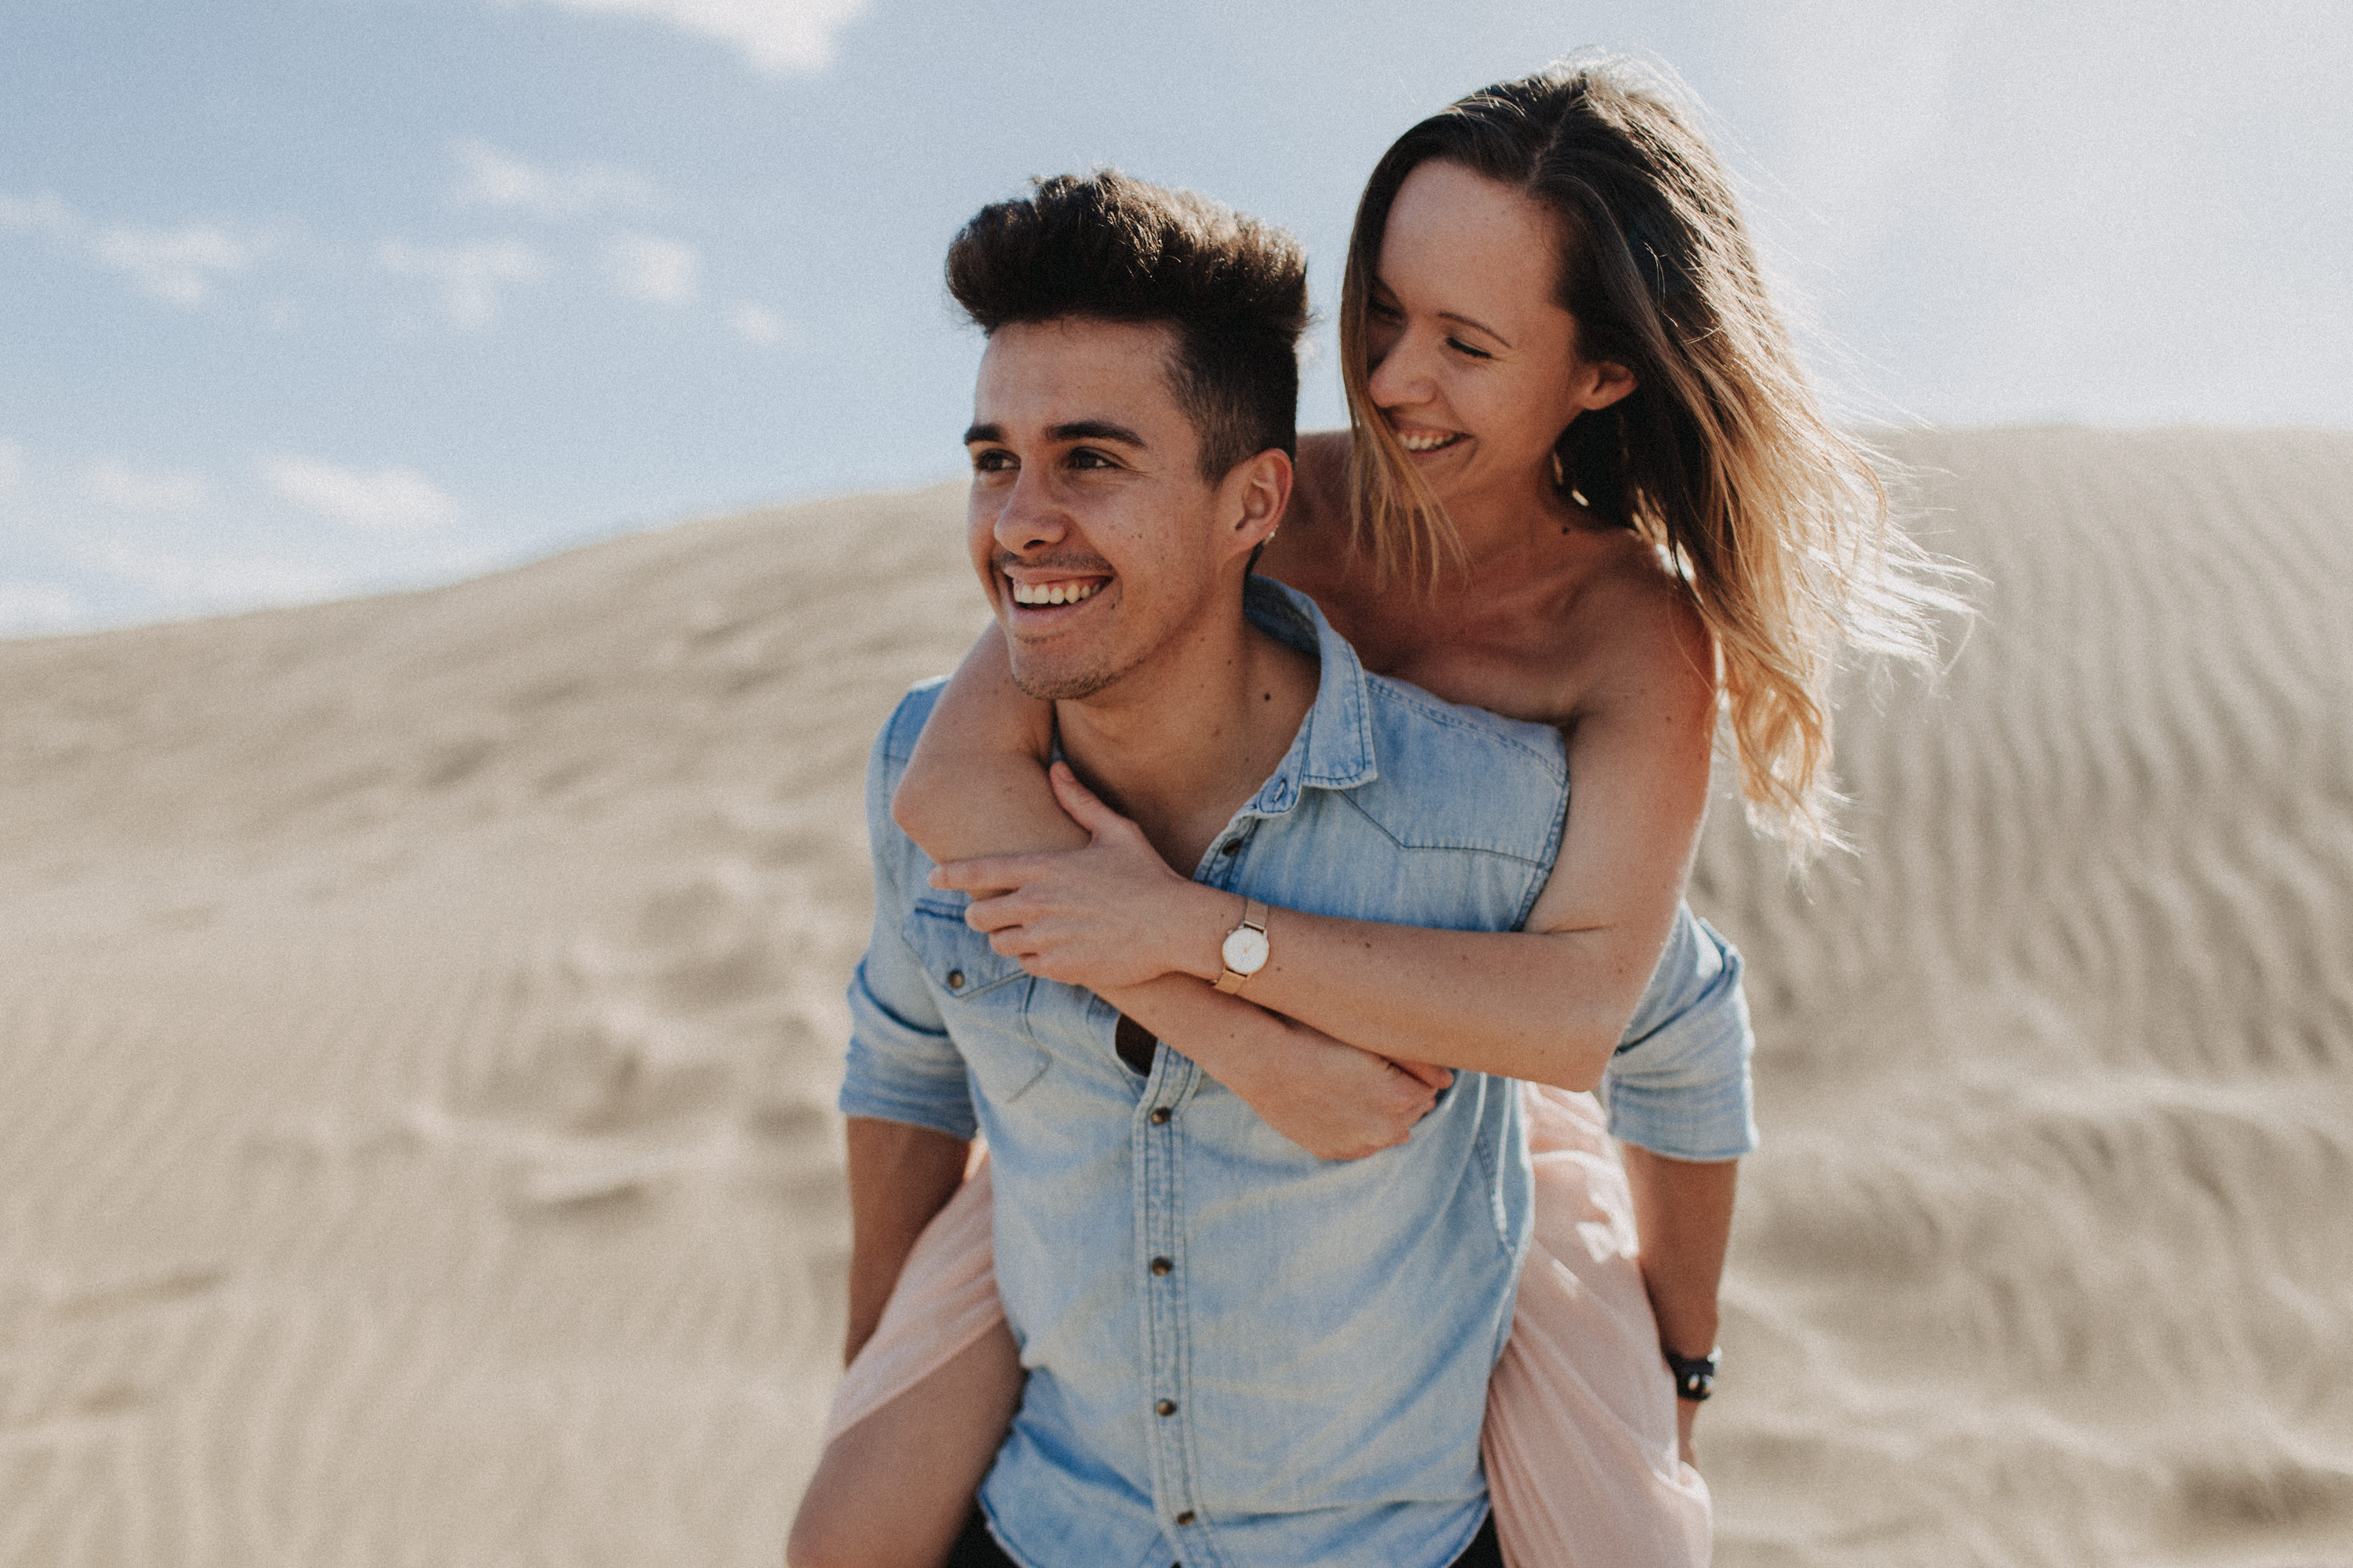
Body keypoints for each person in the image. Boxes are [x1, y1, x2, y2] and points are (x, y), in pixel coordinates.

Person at [795, 58, 1955, 1568]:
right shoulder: (1275, 503)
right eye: (1384, 312)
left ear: (1602, 372)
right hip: (1108, 1086)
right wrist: (1217, 1016)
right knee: (848, 1524)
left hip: (1462, 1098)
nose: (1396, 378)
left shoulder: (1625, 637)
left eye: (1468, 343)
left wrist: (1684, 1353)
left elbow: (1587, 1013)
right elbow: (947, 779)